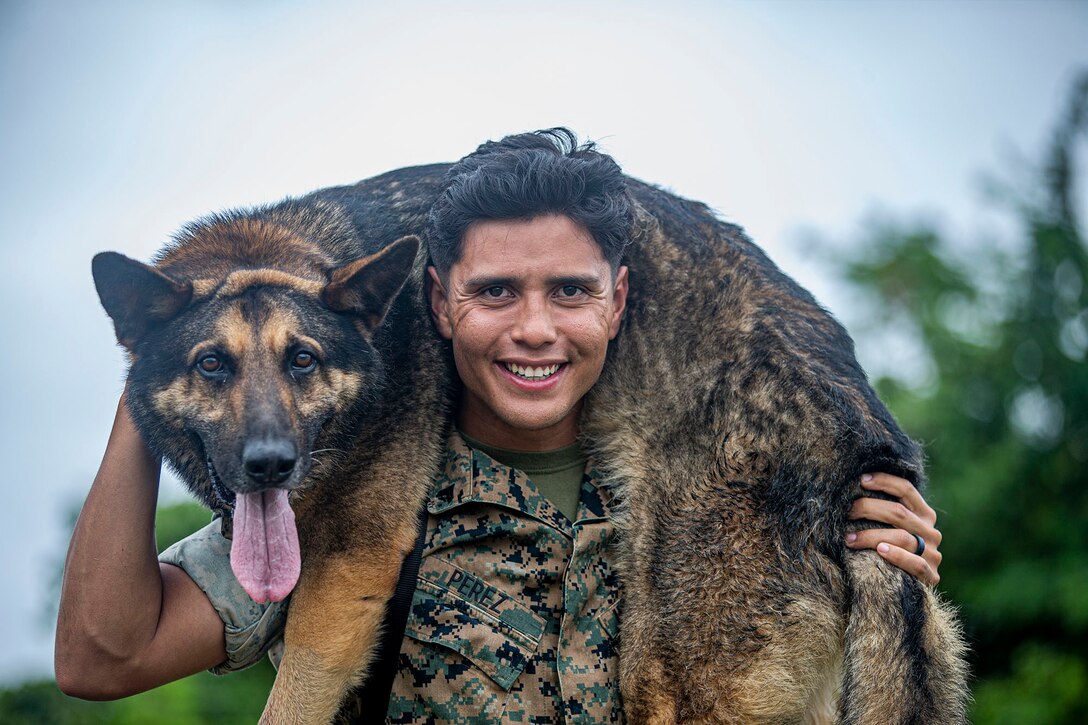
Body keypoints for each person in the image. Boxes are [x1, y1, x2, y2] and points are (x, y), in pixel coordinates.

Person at [56, 129, 944, 720]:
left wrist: (872, 562)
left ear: (619, 300)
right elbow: (101, 659)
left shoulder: (724, 517)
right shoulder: (330, 504)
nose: (533, 328)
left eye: (570, 291)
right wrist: (159, 358)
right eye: (495, 291)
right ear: (436, 302)